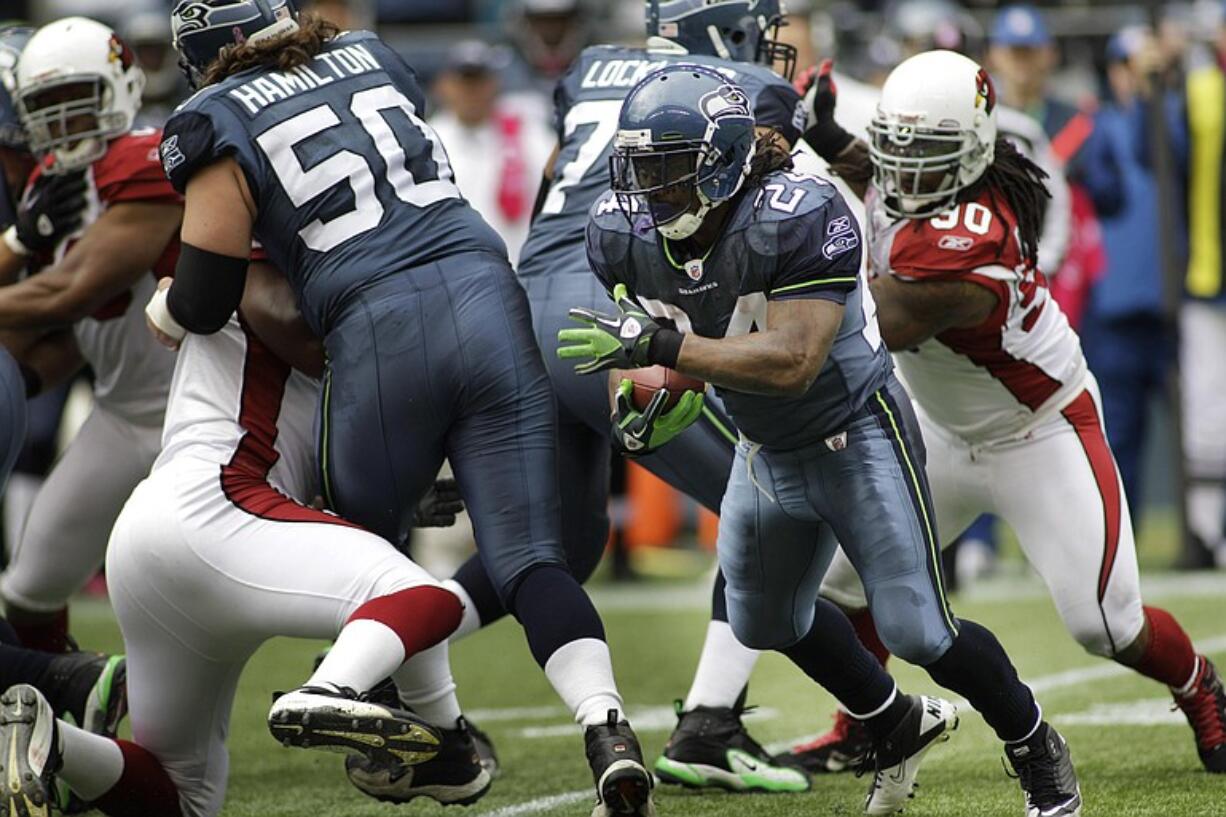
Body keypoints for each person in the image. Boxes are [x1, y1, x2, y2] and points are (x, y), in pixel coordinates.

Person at [151, 2, 654, 813]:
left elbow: (210, 296)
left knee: (376, 560)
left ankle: (366, 697)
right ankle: (608, 731)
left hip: (379, 323)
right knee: (532, 558)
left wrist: (168, 306)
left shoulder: (212, 116)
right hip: (489, 292)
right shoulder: (371, 56)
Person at [561, 60, 1080, 817]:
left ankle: (1037, 748)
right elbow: (649, 339)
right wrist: (642, 398)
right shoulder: (622, 233)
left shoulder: (799, 212)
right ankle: (895, 721)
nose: (651, 191)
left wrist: (666, 354)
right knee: (763, 619)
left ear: (721, 163)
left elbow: (792, 360)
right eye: (641, 168)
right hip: (762, 448)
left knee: (918, 628)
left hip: (855, 432)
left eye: (670, 170)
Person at [785, 50, 1226, 782]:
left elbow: (878, 318)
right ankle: (868, 725)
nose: (903, 168)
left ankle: (1198, 684)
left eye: (923, 153)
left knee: (1105, 623)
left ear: (971, 152)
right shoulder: (926, 177)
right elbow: (880, 180)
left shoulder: (974, 242)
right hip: (940, 427)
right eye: (899, 146)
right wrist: (829, 135)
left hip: (1038, 430)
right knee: (841, 580)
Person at [439, 0, 817, 795]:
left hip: (525, 306)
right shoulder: (741, 82)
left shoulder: (591, 70)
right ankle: (712, 723)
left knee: (559, 545)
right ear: (724, 25)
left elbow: (555, 184)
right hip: (614, 322)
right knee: (781, 501)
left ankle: (381, 650)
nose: (769, 42)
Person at [0, 260, 475, 817]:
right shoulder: (289, 276)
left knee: (186, 798)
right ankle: (365, 704)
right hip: (225, 507)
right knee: (421, 595)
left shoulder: (222, 274)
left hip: (149, 530)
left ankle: (50, 739)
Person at [0, 17, 178, 654]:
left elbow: (67, 292)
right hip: (122, 410)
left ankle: (402, 687)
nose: (67, 120)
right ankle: (63, 707)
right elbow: (77, 328)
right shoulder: (54, 183)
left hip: (206, 415)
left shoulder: (145, 156)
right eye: (48, 106)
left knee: (196, 597)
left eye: (81, 100)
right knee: (29, 588)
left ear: (121, 86)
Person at [428, 40, 554, 264]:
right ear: (444, 85)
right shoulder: (429, 139)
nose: (472, 91)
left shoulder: (525, 130)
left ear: (495, 83)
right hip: (456, 273)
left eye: (480, 81)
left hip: (521, 268)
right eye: (464, 81)